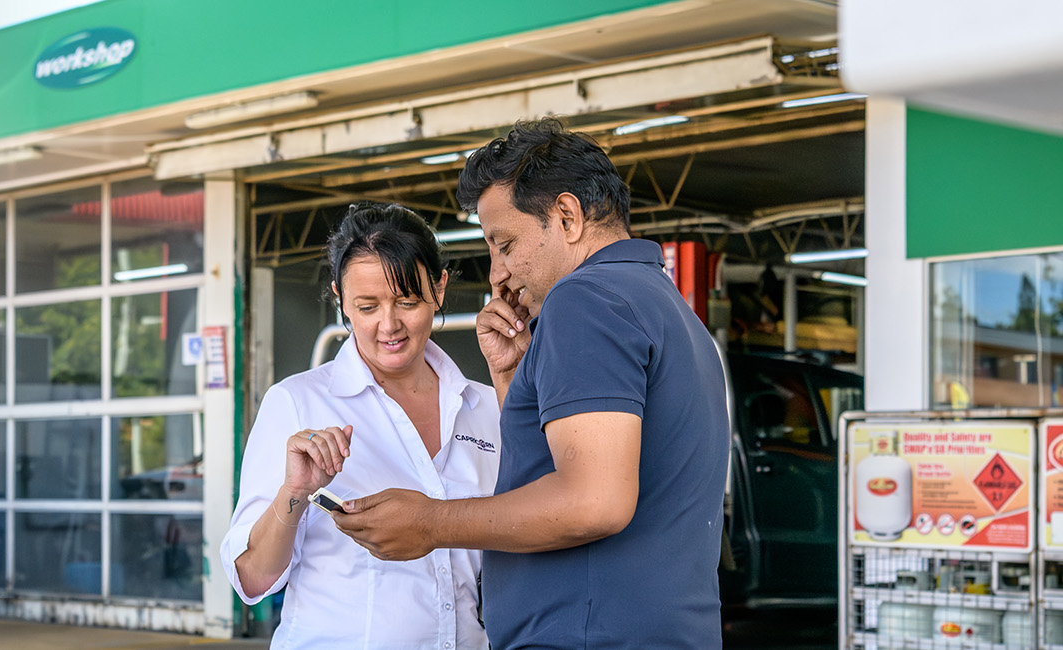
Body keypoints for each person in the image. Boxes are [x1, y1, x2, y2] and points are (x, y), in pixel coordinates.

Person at [332, 119, 729, 649]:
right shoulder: (666, 307)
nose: (497, 273)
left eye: (505, 243)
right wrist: (513, 380)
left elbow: (595, 501)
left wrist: (431, 523)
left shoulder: (585, 301)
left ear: (566, 216)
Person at [219, 203, 501, 649]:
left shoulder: (485, 407)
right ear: (340, 298)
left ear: (440, 287)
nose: (388, 326)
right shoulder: (298, 403)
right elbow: (253, 579)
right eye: (366, 307)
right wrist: (294, 492)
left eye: (407, 302)